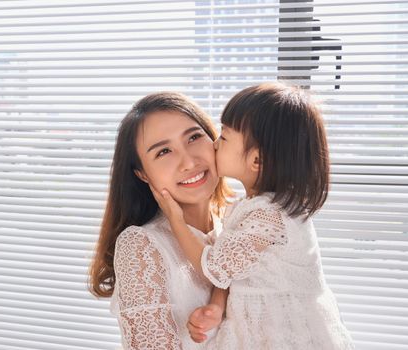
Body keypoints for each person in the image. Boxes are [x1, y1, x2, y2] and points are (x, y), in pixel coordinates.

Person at [152, 82, 355, 349]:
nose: (214, 145)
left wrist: (175, 219)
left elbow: (213, 266)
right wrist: (216, 304)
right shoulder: (255, 207)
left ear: (256, 160)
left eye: (223, 137)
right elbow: (234, 271)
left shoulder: (269, 216)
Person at [88, 92, 232, 349]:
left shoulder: (241, 224)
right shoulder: (142, 246)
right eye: (164, 151)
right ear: (142, 174)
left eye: (194, 137)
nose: (189, 162)